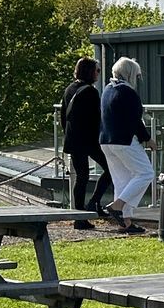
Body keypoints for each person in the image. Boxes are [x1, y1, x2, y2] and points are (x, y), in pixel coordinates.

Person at [99, 56, 154, 235]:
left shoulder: (107, 89)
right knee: (146, 173)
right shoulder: (127, 92)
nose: (138, 79)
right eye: (137, 75)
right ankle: (118, 206)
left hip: (106, 141)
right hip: (124, 140)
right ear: (130, 74)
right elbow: (135, 120)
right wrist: (147, 139)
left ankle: (126, 222)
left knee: (121, 181)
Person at [59, 57, 110, 229]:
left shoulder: (69, 89)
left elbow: (63, 116)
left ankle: (79, 216)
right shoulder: (90, 92)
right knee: (110, 169)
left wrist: (68, 134)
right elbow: (97, 119)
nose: (98, 73)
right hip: (89, 140)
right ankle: (93, 203)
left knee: (81, 178)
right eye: (97, 70)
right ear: (90, 72)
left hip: (73, 139)